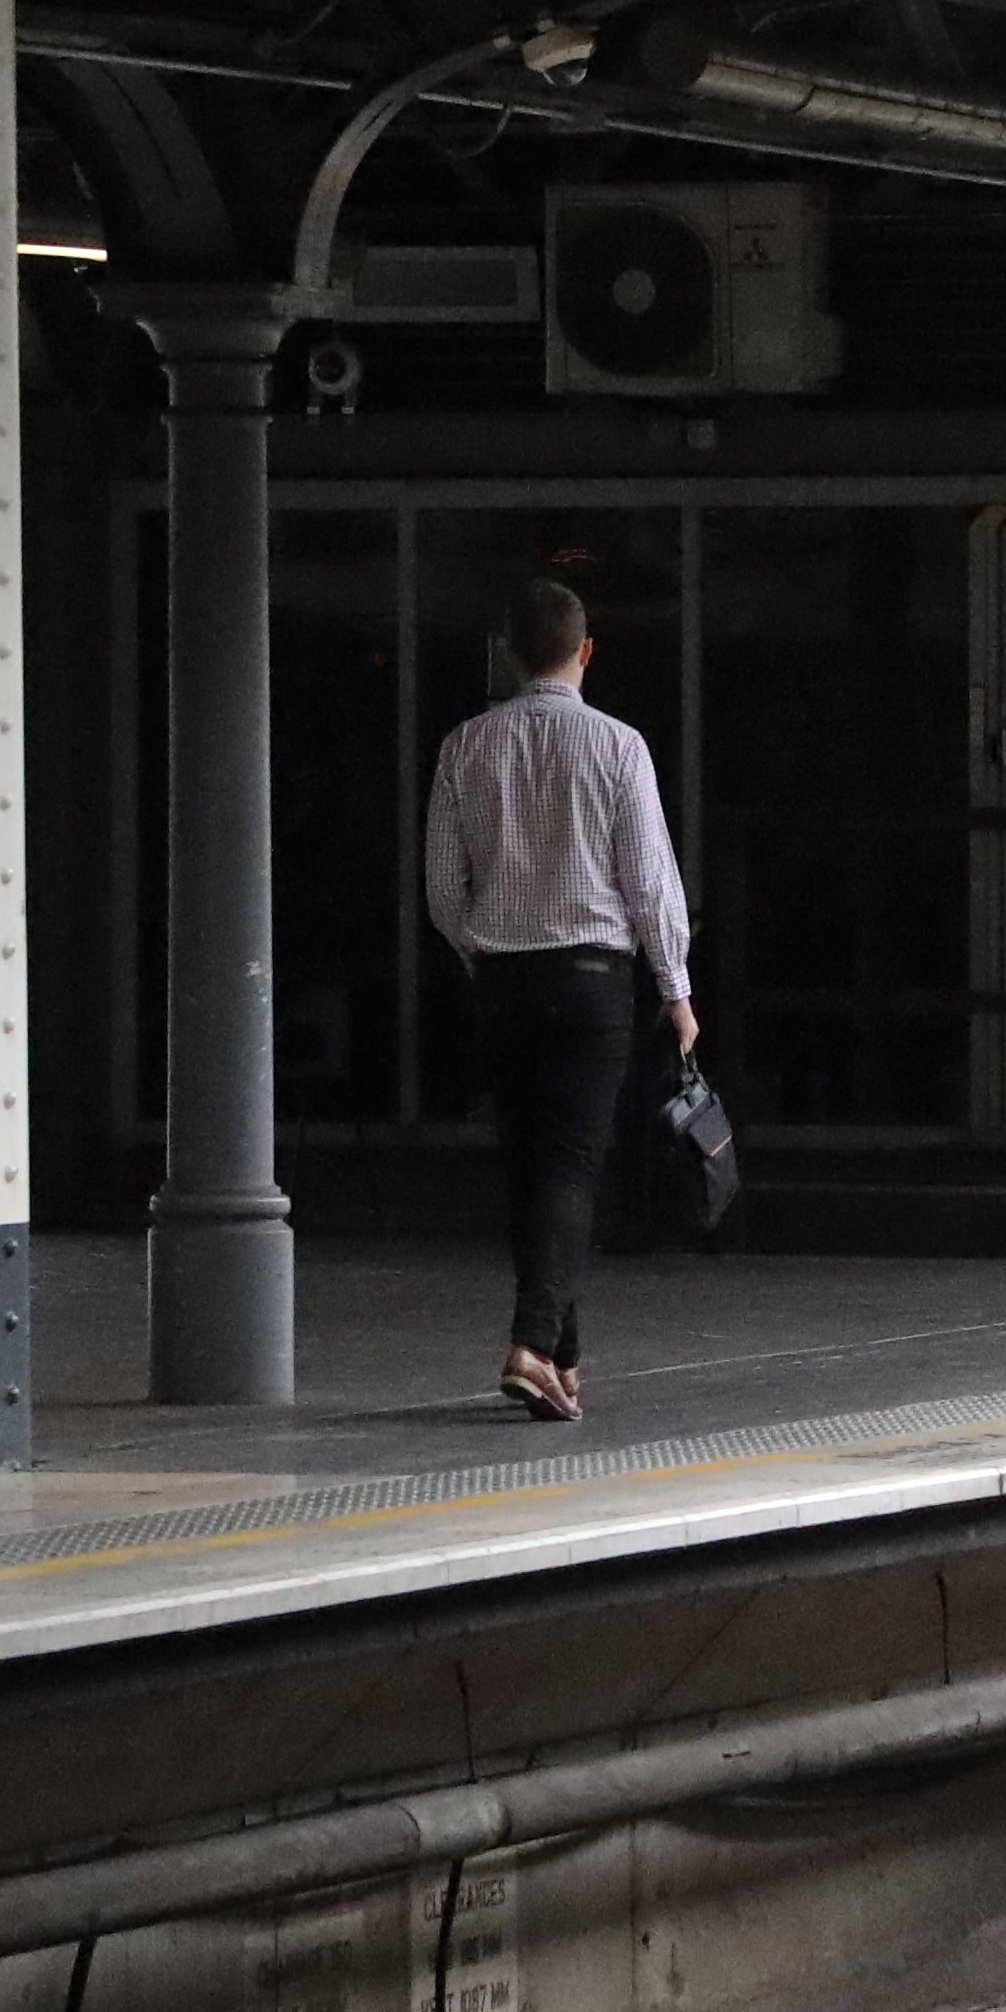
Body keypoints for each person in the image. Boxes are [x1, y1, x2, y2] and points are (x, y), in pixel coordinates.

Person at [420, 574, 694, 1421]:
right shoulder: (619, 747)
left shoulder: (465, 745)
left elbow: (440, 885)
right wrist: (675, 986)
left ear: (508, 652)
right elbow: (649, 881)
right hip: (590, 982)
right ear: (586, 651)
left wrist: (478, 948)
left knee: (528, 1168)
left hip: (502, 981)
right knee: (573, 1165)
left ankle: (560, 1358)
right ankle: (532, 1343)